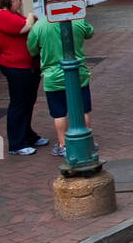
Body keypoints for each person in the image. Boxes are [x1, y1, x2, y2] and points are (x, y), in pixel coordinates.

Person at [0, 0, 48, 156]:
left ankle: (27, 135)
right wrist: (30, 16)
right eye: (20, 0)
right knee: (19, 104)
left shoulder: (13, 15)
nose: (21, 4)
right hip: (15, 66)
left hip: (28, 65)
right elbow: (24, 27)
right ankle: (16, 143)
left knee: (28, 102)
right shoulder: (0, 15)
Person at [26, 14, 94, 158]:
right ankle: (88, 141)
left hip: (53, 76)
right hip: (78, 72)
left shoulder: (40, 25)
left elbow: (32, 49)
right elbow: (90, 32)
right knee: (83, 110)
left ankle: (63, 145)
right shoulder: (77, 20)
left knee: (59, 112)